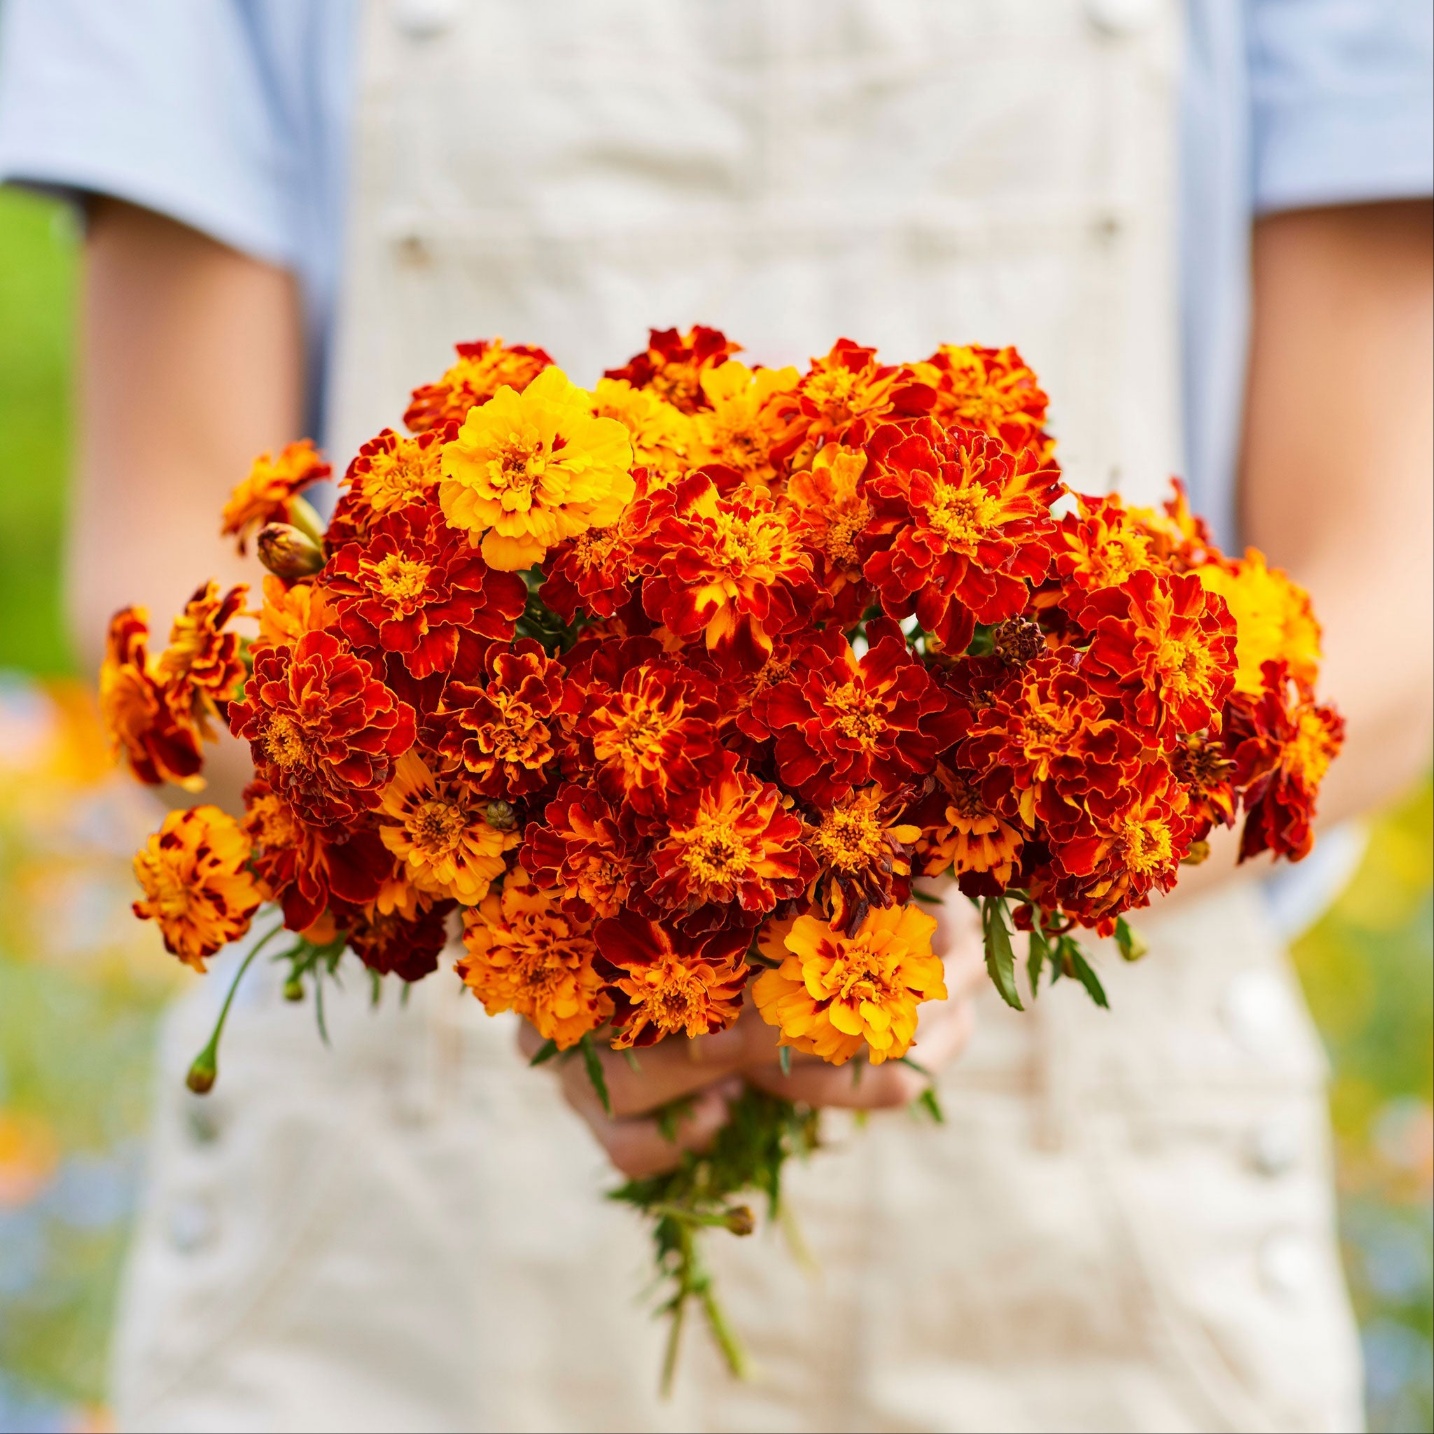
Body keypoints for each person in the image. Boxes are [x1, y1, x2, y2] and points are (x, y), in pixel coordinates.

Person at [1, 1, 1430, 1429]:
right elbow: (166, 554)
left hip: (1093, 1199)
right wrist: (553, 899)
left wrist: (969, 874)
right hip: (397, 1193)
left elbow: (1386, 611)